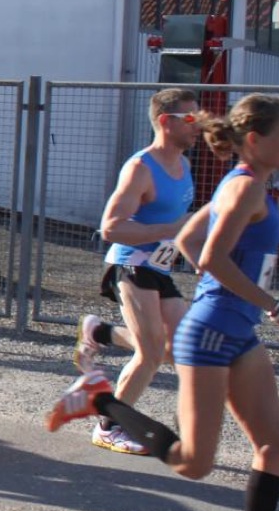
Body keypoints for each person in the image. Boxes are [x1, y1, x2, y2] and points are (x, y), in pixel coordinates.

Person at [47, 94, 279, 511]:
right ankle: (101, 399)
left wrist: (238, 298)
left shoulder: (242, 183)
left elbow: (189, 239)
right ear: (255, 140)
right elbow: (210, 256)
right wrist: (276, 306)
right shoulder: (245, 187)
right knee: (194, 463)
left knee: (275, 445)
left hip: (236, 330)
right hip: (212, 334)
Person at [74, 90, 203, 455]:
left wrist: (197, 257)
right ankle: (108, 426)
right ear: (165, 122)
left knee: (180, 349)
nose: (198, 126)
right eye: (190, 119)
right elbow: (111, 227)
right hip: (130, 263)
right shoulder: (140, 168)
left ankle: (99, 331)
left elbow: (177, 227)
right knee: (150, 353)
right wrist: (172, 229)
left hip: (159, 267)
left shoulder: (184, 165)